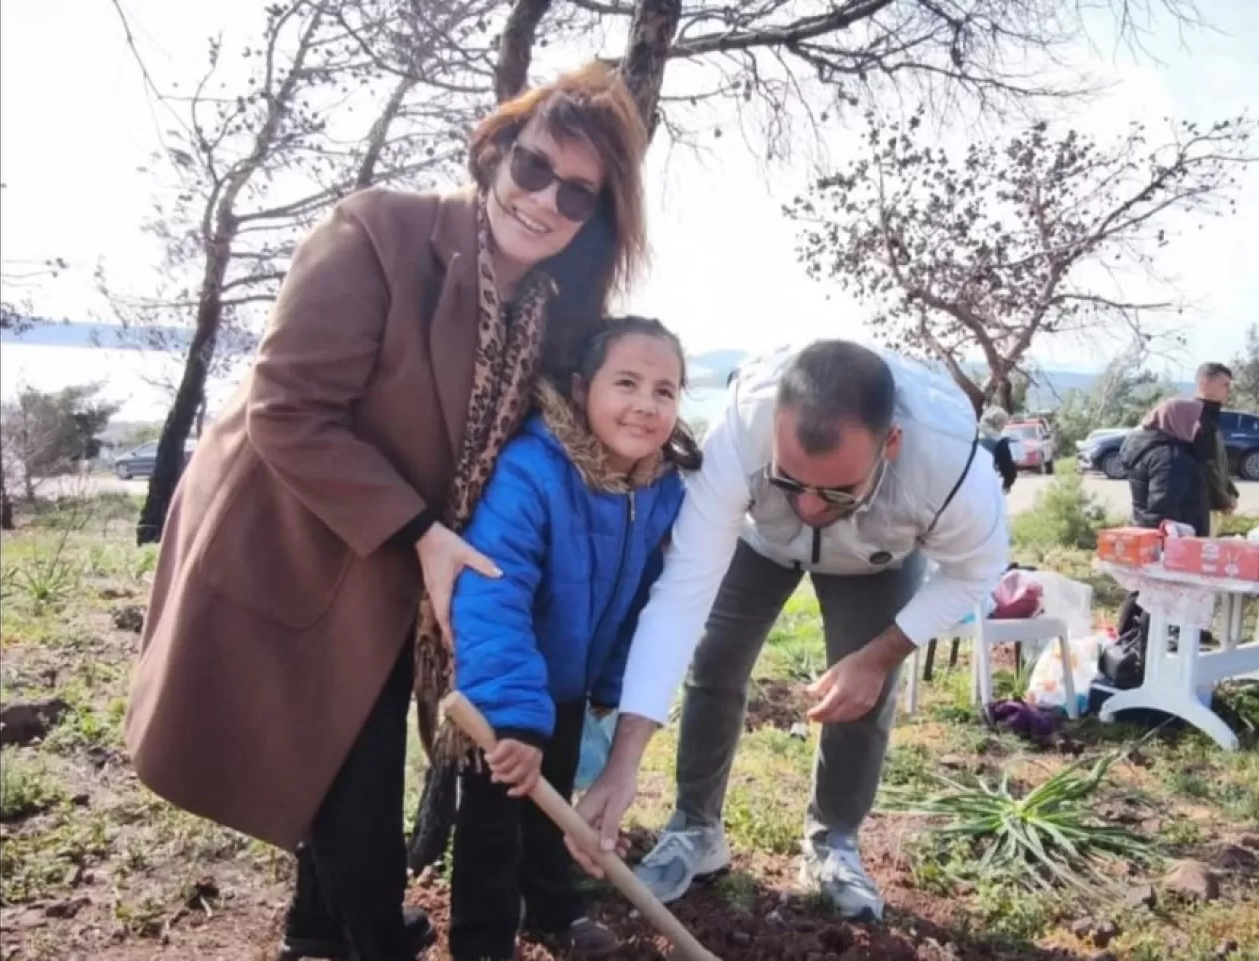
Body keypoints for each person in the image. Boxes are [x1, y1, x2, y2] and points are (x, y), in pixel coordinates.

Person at [122, 62, 650, 961]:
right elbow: (286, 407)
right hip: (290, 525)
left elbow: (569, 426)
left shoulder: (550, 308)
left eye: (576, 192)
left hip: (405, 548)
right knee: (348, 760)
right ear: (495, 152)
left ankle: (315, 927)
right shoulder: (379, 229)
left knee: (338, 748)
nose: (545, 201)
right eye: (532, 167)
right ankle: (370, 934)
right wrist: (421, 534)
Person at [567, 340, 1008, 922]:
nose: (808, 507)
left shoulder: (950, 467)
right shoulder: (739, 433)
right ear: (774, 426)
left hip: (877, 557)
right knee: (716, 659)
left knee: (859, 695)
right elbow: (680, 599)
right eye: (791, 480)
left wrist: (876, 657)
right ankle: (696, 828)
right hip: (760, 541)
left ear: (891, 445)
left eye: (834, 491)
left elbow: (976, 572)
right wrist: (624, 762)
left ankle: (832, 844)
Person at [447, 317, 697, 961]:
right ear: (583, 388)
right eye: (627, 383)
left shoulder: (660, 491)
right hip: (502, 690)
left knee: (550, 809)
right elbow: (492, 592)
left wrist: (613, 684)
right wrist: (510, 716)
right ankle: (482, 942)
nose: (645, 404)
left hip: (568, 685)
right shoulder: (535, 469)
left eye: (665, 390)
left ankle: (553, 913)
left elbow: (645, 598)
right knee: (492, 821)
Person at [1114, 398, 1211, 639]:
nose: (1198, 427)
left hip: (1149, 532)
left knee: (1143, 591)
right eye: (1194, 421)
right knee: (1157, 597)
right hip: (1169, 538)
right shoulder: (1170, 457)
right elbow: (1163, 504)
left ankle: (1127, 641)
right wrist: (1175, 542)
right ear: (1177, 421)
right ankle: (1141, 650)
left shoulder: (1148, 446)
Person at [1194, 362, 1239, 533]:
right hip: (1201, 506)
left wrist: (1231, 493)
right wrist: (1224, 501)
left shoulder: (1212, 418)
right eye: (1225, 384)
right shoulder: (1197, 419)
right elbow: (1206, 465)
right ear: (1204, 382)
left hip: (1213, 504)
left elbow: (1218, 463)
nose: (1228, 390)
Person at [979, 405, 1018, 493]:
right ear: (996, 422)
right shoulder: (999, 441)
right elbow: (1008, 468)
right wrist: (1007, 484)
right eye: (1003, 423)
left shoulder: (971, 435)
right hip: (988, 485)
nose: (1003, 427)